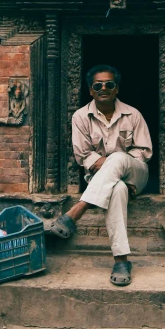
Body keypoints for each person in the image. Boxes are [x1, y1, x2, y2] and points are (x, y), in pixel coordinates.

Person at [47, 64, 152, 287]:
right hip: (108, 180)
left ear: (117, 89)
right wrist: (114, 167)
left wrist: (119, 162)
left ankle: (77, 210)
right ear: (91, 90)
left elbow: (143, 151)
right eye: (98, 85)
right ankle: (121, 261)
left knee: (118, 159)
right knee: (118, 189)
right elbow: (83, 154)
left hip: (136, 173)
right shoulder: (81, 117)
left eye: (109, 84)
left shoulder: (133, 114)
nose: (103, 88)